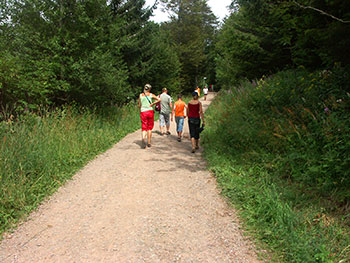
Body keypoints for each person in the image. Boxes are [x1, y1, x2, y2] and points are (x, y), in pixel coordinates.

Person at [139, 84, 160, 148]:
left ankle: (143, 138)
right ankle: (149, 142)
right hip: (150, 111)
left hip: (143, 111)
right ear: (149, 89)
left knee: (144, 126)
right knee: (149, 127)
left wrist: (140, 111)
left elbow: (139, 105)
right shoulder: (151, 95)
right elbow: (159, 99)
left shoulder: (140, 95)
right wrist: (153, 103)